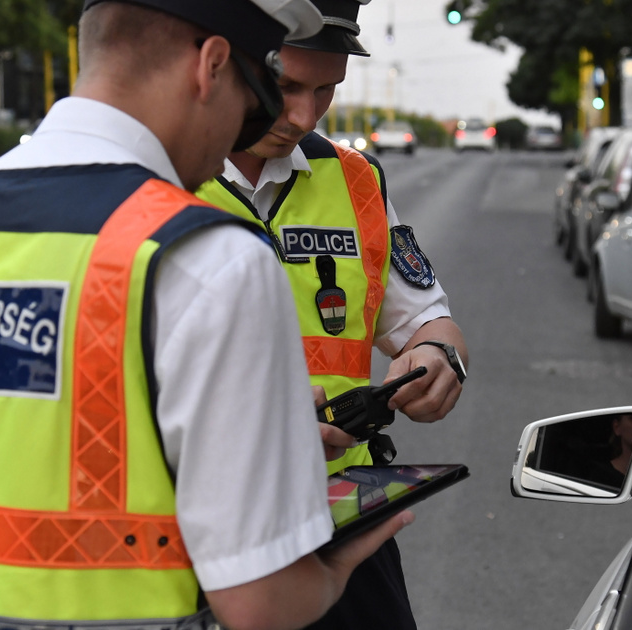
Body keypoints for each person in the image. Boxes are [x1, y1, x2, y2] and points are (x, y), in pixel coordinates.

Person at [0, 1, 412, 629]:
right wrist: (335, 569)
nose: (256, 125)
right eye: (257, 95)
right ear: (210, 67)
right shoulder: (211, 258)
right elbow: (262, 605)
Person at [196, 1, 468, 628]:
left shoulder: (354, 180)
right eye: (286, 85)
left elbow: (429, 320)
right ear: (219, 59)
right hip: (198, 525)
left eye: (327, 90)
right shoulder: (152, 180)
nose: (301, 115)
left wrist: (438, 356)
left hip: (338, 517)